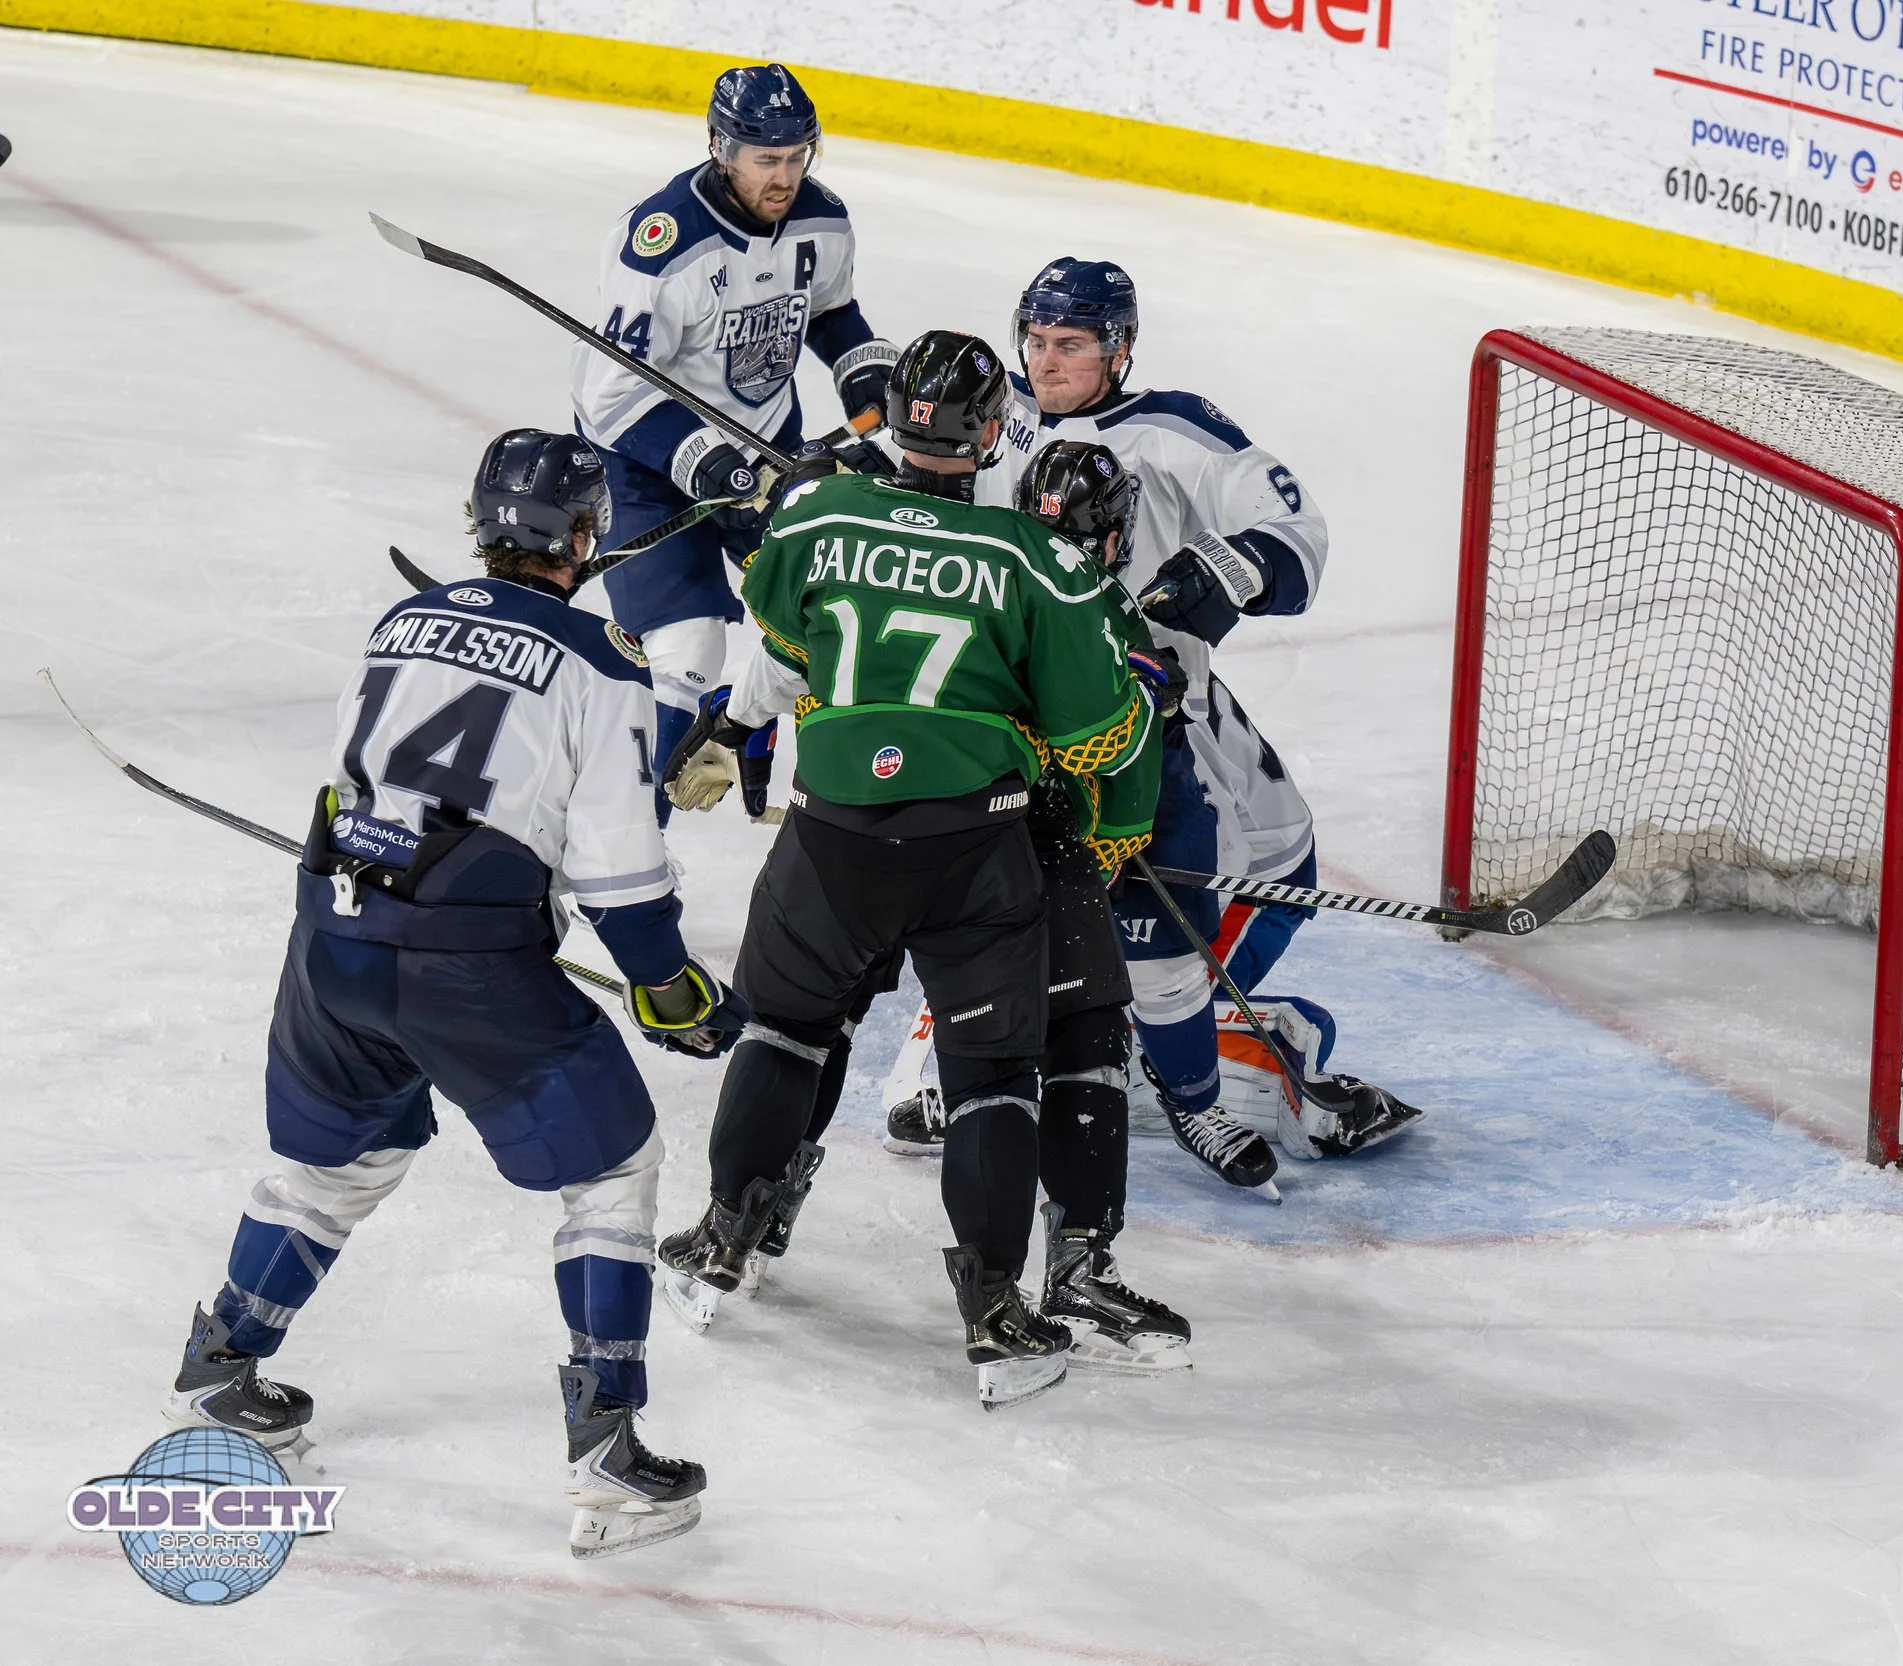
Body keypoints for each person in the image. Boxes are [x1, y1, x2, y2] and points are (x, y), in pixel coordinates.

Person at [162, 430, 749, 1560]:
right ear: (588, 539)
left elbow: (365, 781)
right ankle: (609, 1454)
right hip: (469, 965)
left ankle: (219, 1365)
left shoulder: (399, 624)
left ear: (481, 524)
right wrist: (672, 992)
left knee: (331, 1167)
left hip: (332, 936)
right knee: (613, 1170)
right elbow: (621, 884)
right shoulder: (603, 665)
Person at [649, 332, 1163, 1408]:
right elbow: (1106, 733)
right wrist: (1054, 767)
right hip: (973, 843)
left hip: (830, 826)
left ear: (889, 415)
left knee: (784, 1028)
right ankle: (989, 1309)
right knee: (988, 1080)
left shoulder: (819, 513)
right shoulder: (1039, 558)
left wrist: (736, 725)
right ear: (989, 436)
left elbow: (786, 650)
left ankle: (723, 1235)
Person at [961, 257, 1418, 1187]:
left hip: (1143, 693)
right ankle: (1144, 1037)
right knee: (1251, 865)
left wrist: (1220, 572)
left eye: (1071, 345)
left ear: (1119, 348)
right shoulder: (995, 411)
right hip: (1081, 713)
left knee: (1023, 879)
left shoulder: (1170, 433)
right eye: (1038, 342)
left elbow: (1289, 528)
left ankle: (1074, 1036)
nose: (1046, 363)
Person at [570, 62, 898, 823]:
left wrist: (863, 386)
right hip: (647, 464)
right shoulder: (661, 244)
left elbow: (832, 311)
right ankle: (631, 850)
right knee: (687, 653)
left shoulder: (822, 217)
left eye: (796, 156)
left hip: (764, 450)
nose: (784, 177)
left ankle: (801, 787)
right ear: (722, 148)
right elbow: (609, 395)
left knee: (830, 616)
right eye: (766, 160)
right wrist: (706, 461)